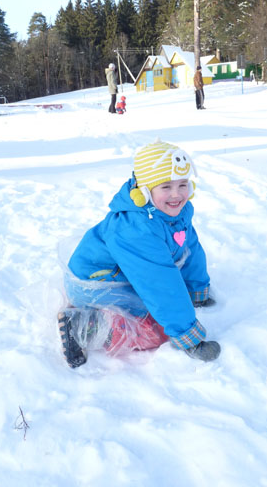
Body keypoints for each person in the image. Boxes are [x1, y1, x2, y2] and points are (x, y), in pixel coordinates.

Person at [58, 140, 220, 368]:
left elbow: (190, 249)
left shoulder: (174, 212)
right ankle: (85, 325)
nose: (177, 195)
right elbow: (159, 283)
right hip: (96, 283)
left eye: (183, 184)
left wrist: (197, 290)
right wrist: (187, 336)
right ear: (144, 190)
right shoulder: (136, 230)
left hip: (119, 274)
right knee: (155, 328)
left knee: (164, 303)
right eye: (165, 186)